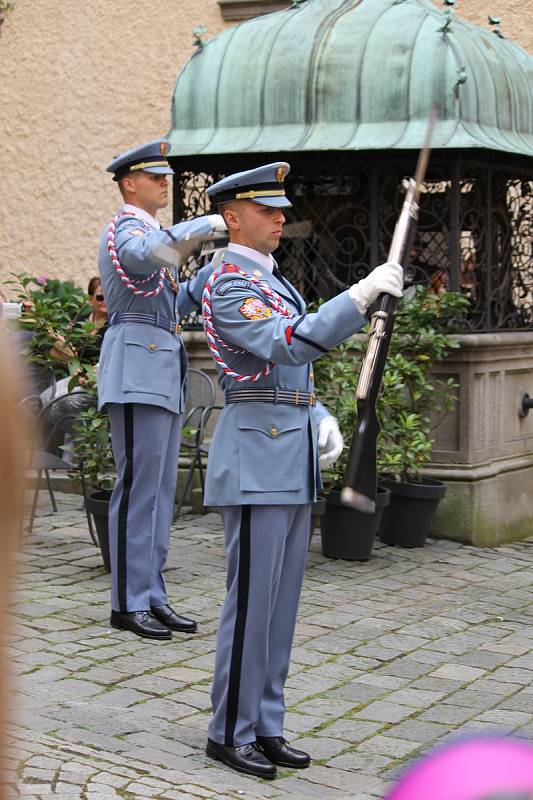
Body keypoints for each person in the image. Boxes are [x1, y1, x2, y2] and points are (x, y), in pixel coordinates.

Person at [201, 162, 403, 779]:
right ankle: (227, 729)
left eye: (282, 208)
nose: (281, 217)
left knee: (281, 601)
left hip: (287, 451)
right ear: (233, 217)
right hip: (257, 454)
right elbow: (288, 344)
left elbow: (290, 369)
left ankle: (266, 722)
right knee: (252, 601)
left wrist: (314, 410)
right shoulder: (229, 283)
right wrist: (359, 297)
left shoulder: (273, 281)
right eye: (268, 209)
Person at [98, 138, 224, 640]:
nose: (164, 183)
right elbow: (143, 257)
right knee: (137, 490)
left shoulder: (157, 237)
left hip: (160, 370)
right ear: (130, 184)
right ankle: (126, 602)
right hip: (135, 370)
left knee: (161, 491)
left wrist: (214, 269)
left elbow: (173, 303)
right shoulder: (127, 229)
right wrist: (203, 226)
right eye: (154, 177)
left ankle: (152, 594)